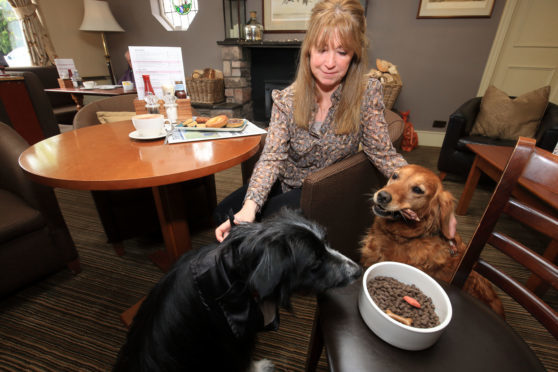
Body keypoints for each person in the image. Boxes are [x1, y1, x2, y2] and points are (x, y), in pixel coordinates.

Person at [214, 0, 407, 242]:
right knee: (225, 213)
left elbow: (383, 153)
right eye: (322, 49)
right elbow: (272, 157)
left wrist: (413, 189)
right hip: (287, 182)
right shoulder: (286, 100)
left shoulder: (366, 92)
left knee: (257, 235)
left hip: (326, 190)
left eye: (342, 52)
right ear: (308, 50)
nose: (329, 63)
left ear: (354, 55)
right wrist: (250, 207)